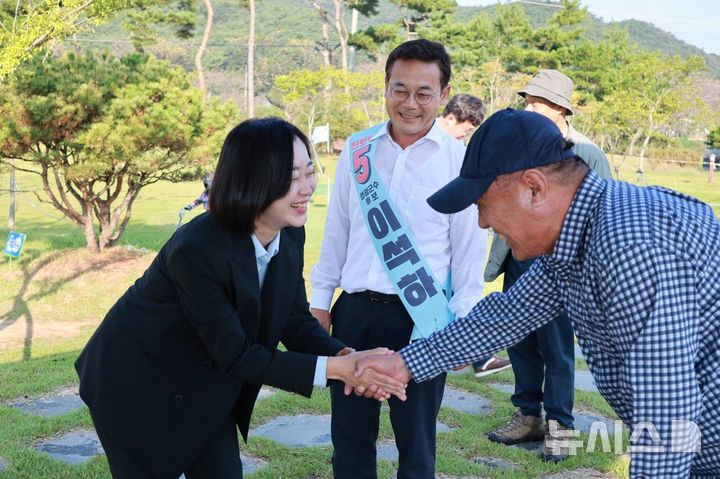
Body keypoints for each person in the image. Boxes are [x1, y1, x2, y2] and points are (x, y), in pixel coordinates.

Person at [357, 108, 720, 478]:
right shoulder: (579, 234)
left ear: (534, 188)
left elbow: (668, 412)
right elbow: (503, 318)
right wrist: (403, 364)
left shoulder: (627, 245)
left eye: (482, 203)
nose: (482, 222)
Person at [75, 117, 406, 479]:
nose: (307, 188)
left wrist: (346, 355)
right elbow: (237, 353)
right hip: (135, 386)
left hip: (207, 385)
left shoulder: (290, 232)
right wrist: (341, 371)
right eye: (291, 178)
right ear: (252, 180)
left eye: (309, 172)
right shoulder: (197, 247)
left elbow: (293, 321)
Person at [310, 39, 488, 479]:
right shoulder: (358, 150)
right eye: (399, 89)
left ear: (444, 95)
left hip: (421, 320)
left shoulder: (461, 164)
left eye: (424, 93)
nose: (410, 103)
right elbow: (337, 231)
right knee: (349, 442)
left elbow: (468, 254)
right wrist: (319, 299)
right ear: (386, 87)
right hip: (353, 312)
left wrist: (462, 328)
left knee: (417, 447)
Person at [481, 69, 613, 461]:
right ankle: (528, 416)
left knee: (557, 351)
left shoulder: (586, 152)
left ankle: (562, 428)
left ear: (559, 107)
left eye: (536, 102)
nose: (528, 107)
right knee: (521, 343)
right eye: (526, 100)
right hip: (520, 257)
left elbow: (602, 214)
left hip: (561, 265)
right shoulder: (517, 144)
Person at [437, 93, 511, 379]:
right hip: (448, 232)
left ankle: (476, 353)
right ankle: (475, 353)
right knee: (463, 285)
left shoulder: (457, 148)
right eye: (466, 127)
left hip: (462, 225)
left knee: (464, 287)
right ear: (451, 117)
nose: (466, 133)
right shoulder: (444, 150)